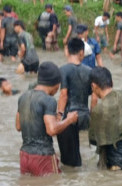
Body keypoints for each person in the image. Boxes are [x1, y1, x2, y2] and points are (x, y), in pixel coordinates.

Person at [16, 62, 79, 176]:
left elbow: (18, 126)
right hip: (43, 156)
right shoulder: (48, 100)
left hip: (24, 155)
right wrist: (69, 119)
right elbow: (52, 130)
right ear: (56, 84)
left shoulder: (23, 97)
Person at [56, 37, 91, 167]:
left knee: (70, 160)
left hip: (70, 115)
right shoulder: (89, 70)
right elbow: (93, 97)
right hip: (85, 116)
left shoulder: (64, 69)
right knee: (84, 149)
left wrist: (59, 115)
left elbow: (64, 94)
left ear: (67, 51)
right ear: (82, 52)